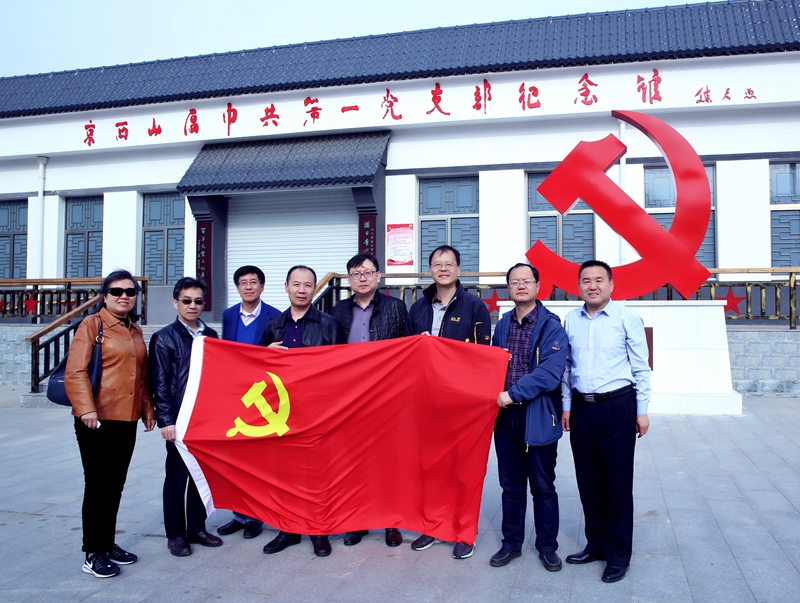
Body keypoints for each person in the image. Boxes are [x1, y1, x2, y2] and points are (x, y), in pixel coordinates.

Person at [561, 260, 651, 583]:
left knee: (617, 484)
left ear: (611, 284)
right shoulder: (571, 320)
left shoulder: (627, 318)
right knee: (589, 482)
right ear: (579, 286)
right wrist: (567, 406)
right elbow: (567, 367)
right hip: (582, 409)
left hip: (617, 407)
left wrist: (642, 410)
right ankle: (596, 544)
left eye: (599, 280)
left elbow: (641, 367)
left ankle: (618, 554)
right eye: (586, 280)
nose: (593, 286)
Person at [65, 270, 156, 579]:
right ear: (104, 296)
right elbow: (76, 371)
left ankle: (107, 542)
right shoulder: (93, 324)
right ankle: (93, 552)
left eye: (130, 291)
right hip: (97, 420)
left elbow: (142, 376)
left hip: (126, 418)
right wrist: (86, 409)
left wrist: (147, 409)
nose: (124, 296)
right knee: (97, 485)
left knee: (115, 484)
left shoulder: (135, 330)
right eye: (116, 291)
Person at [406, 244, 491, 560]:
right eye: (437, 264)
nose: (443, 268)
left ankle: (464, 531)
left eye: (449, 263)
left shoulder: (475, 306)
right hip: (427, 400)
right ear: (429, 269)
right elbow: (406, 352)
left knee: (464, 470)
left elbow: (482, 356)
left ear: (458, 269)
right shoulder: (418, 307)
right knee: (431, 468)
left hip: (463, 401)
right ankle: (433, 526)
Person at [260, 265, 343, 557]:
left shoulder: (329, 324)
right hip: (282, 412)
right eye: (296, 284)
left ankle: (319, 531)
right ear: (286, 287)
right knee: (285, 473)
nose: (302, 289)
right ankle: (289, 530)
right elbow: (257, 369)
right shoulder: (273, 325)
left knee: (318, 473)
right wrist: (266, 353)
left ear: (314, 289)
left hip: (317, 410)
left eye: (308, 284)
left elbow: (341, 368)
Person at [490, 263, 567, 570]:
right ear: (508, 288)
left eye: (526, 281)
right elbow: (492, 364)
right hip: (505, 417)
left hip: (537, 415)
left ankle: (547, 546)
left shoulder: (551, 326)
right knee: (510, 486)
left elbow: (549, 373)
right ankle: (511, 544)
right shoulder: (502, 324)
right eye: (514, 282)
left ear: (537, 286)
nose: (520, 286)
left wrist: (513, 393)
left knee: (543, 486)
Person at [331, 253, 407, 548]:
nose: (362, 278)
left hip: (386, 397)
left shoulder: (395, 307)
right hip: (349, 399)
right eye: (356, 274)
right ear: (348, 279)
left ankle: (391, 522)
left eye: (367, 272)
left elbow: (408, 349)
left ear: (379, 276)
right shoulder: (338, 311)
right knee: (354, 462)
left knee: (388, 462)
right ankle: (358, 521)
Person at [149, 277, 224, 557]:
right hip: (179, 420)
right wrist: (166, 421)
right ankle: (176, 534)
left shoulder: (211, 335)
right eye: (186, 301)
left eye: (198, 301)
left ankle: (197, 528)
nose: (193, 306)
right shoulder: (164, 337)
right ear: (175, 302)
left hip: (205, 419)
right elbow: (159, 383)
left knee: (200, 475)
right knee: (177, 477)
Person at [217, 265, 280, 539]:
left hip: (262, 397)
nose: (248, 287)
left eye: (254, 282)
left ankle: (256, 515)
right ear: (237, 287)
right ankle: (238, 514)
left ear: (262, 286)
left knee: (259, 460)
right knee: (236, 459)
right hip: (235, 396)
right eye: (243, 282)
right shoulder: (229, 315)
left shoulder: (274, 316)